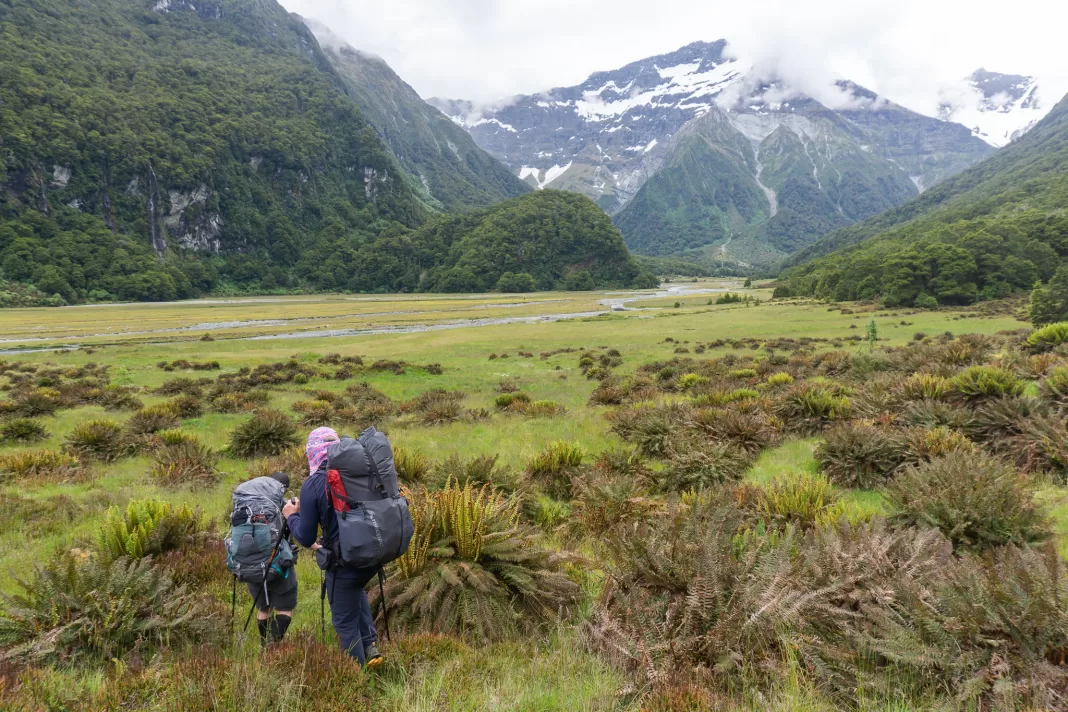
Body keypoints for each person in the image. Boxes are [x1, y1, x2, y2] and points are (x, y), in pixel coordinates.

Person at [283, 427, 383, 667]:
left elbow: (306, 537)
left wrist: (290, 516)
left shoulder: (314, 484)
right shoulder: (361, 471)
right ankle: (370, 647)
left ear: (313, 452)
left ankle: (356, 680)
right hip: (372, 554)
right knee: (355, 589)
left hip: (344, 561)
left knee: (344, 623)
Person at [248, 471, 298, 647]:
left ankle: (264, 644)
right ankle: (273, 647)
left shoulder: (250, 505)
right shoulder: (284, 506)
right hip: (279, 566)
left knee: (263, 607)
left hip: (251, 565)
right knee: (285, 607)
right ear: (284, 489)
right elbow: (294, 532)